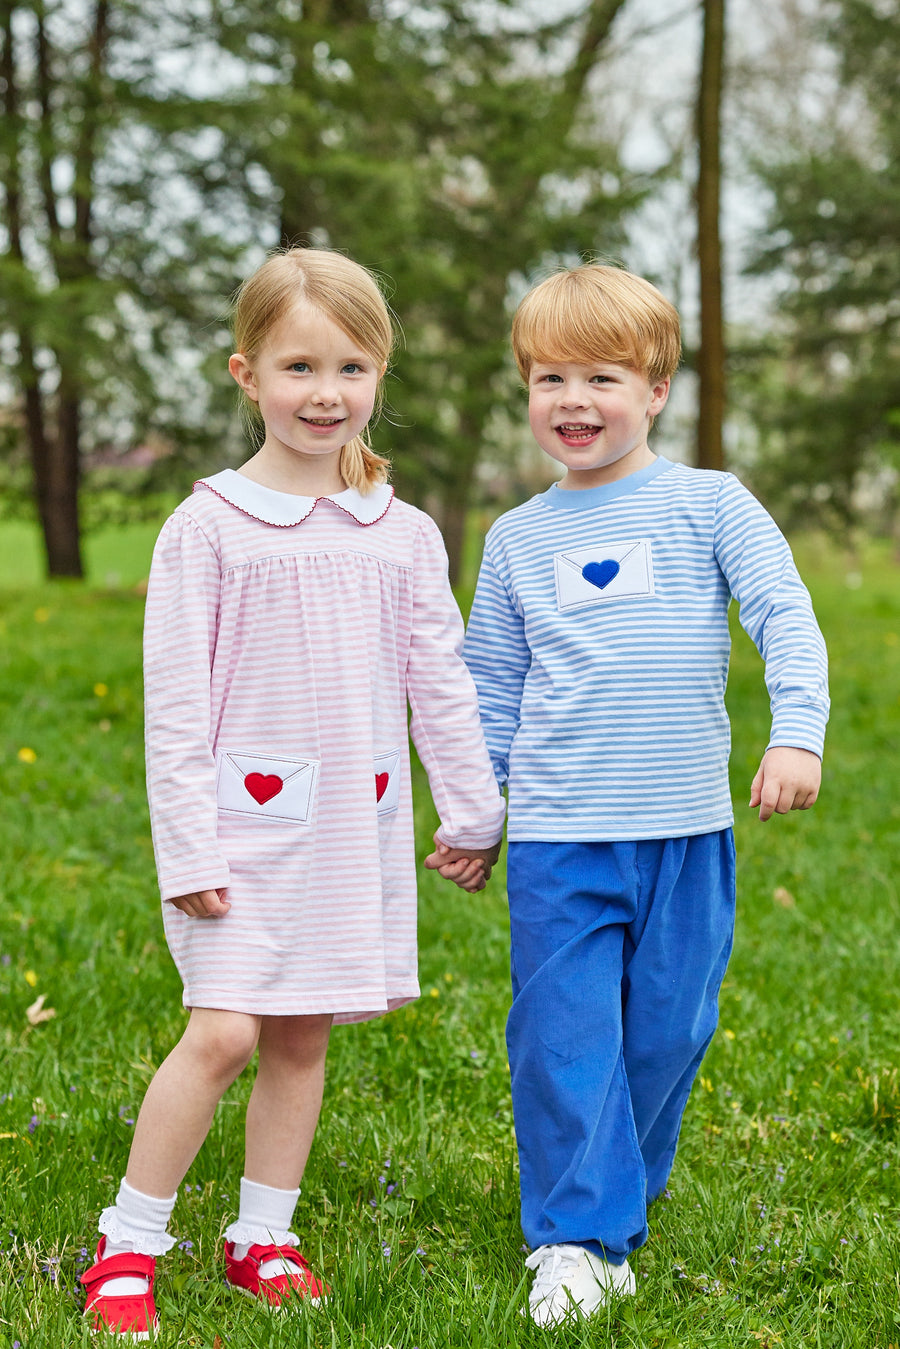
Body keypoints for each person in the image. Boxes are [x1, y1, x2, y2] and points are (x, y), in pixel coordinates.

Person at [80, 247, 504, 1339]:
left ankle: (262, 1232)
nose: (326, 392)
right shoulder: (209, 529)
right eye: (299, 365)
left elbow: (439, 682)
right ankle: (128, 1241)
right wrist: (191, 852)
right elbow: (174, 707)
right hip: (235, 832)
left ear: (380, 375)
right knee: (222, 1032)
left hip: (348, 832)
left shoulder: (402, 535)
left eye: (352, 367)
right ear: (245, 373)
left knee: (303, 1032)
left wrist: (472, 809)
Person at [446, 262, 828, 1327]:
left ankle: (620, 1197)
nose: (573, 400)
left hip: (688, 833)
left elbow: (785, 614)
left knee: (667, 1031)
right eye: (548, 377)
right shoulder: (517, 538)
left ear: (656, 388)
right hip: (563, 841)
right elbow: (492, 683)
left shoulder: (709, 505)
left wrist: (796, 731)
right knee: (564, 1033)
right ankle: (575, 1235)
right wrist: (479, 808)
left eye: (602, 376)